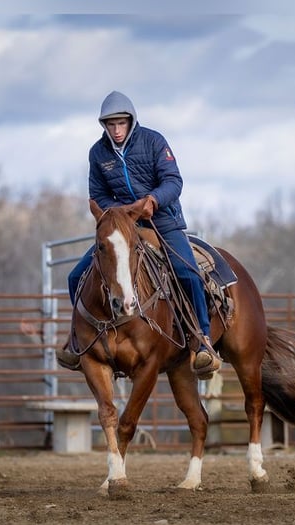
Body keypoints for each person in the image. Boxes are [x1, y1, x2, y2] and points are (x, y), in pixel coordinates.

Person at [56, 90, 221, 378]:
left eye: (121, 123)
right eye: (111, 125)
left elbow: (173, 180)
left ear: (131, 121)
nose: (117, 130)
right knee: (75, 277)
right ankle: (76, 338)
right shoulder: (98, 153)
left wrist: (153, 201)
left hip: (163, 220)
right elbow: (98, 195)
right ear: (104, 126)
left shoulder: (154, 141)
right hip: (123, 226)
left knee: (188, 272)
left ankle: (202, 340)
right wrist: (123, 214)